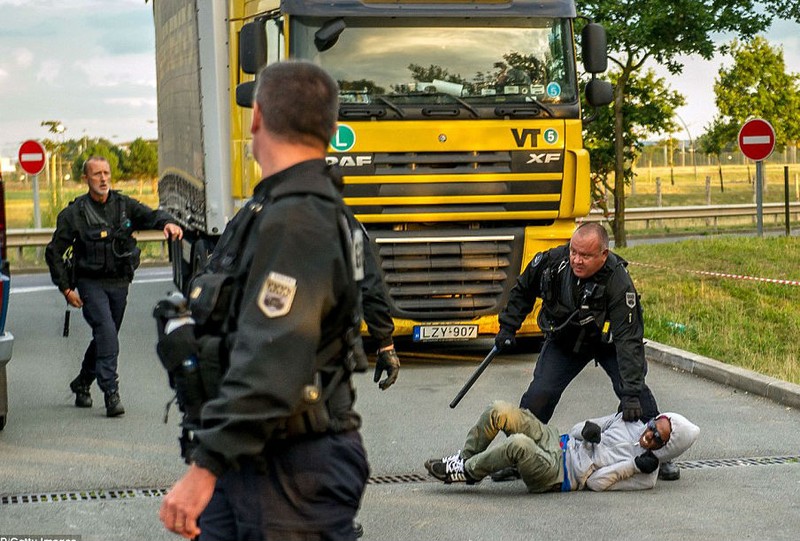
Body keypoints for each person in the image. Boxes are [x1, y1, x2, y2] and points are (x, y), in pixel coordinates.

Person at [157, 61, 370, 541]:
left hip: (290, 471)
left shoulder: (299, 219)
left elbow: (273, 358)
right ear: (331, 129)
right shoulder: (279, 209)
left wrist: (204, 468)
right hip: (256, 456)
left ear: (256, 118)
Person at [493, 222, 680, 480]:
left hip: (608, 342)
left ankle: (660, 454)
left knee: (637, 398)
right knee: (540, 394)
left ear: (603, 255)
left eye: (586, 255)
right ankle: (516, 454)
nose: (577, 260)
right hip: (566, 340)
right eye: (574, 252)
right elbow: (523, 289)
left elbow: (629, 340)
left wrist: (630, 392)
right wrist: (508, 327)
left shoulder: (618, 280)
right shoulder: (552, 263)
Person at [45, 156, 183, 417]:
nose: (103, 178)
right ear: (86, 179)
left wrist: (167, 223)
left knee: (104, 338)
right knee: (107, 333)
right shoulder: (74, 214)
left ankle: (83, 383)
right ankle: (111, 393)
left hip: (119, 283)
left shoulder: (123, 205)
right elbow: (54, 253)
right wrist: (65, 288)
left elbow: (150, 215)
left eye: (106, 173)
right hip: (90, 283)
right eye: (96, 174)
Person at [425, 400, 699, 492]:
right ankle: (464, 458)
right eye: (653, 426)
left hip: (559, 474)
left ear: (666, 448)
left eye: (657, 439)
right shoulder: (630, 422)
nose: (649, 435)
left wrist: (631, 466)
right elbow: (577, 429)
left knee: (518, 445)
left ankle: (467, 471)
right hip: (557, 441)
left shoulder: (647, 476)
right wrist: (587, 430)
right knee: (500, 410)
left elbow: (595, 484)